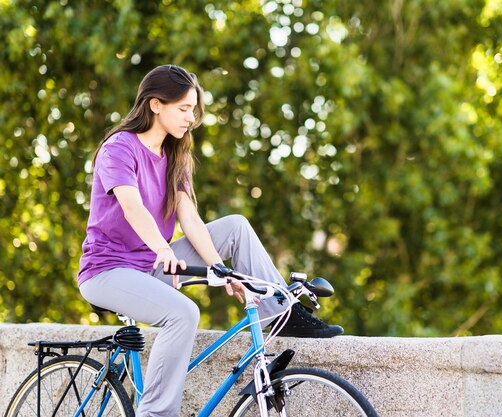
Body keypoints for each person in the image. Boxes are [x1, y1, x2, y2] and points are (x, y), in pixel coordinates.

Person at [77, 64, 343, 417]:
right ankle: (155, 413)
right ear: (156, 104)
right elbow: (132, 206)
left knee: (235, 226)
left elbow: (189, 217)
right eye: (184, 108)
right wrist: (161, 250)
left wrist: (221, 270)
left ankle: (282, 313)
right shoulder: (120, 148)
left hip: (154, 265)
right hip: (107, 271)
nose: (191, 118)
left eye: (193, 109)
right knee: (184, 312)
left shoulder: (174, 155)